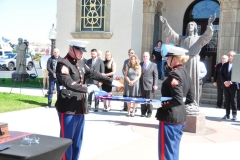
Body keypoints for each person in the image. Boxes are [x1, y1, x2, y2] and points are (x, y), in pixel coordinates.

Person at [55, 40, 122, 160]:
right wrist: (87, 89)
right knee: (66, 142)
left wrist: (112, 82)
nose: (82, 53)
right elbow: (69, 83)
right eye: (79, 51)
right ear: (71, 49)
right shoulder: (63, 63)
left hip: (80, 106)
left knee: (77, 142)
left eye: (82, 51)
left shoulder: (81, 62)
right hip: (68, 107)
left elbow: (94, 74)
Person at [160, 14, 215, 107]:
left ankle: (193, 102)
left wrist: (209, 24)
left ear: (195, 28)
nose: (190, 26)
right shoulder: (182, 39)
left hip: (193, 61)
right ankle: (182, 101)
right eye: (189, 25)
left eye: (192, 25)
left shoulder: (199, 38)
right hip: (184, 61)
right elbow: (172, 35)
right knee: (182, 81)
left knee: (193, 82)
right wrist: (166, 24)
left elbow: (207, 36)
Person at [155, 45, 194, 160]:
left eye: (168, 58)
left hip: (169, 117)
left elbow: (177, 98)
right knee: (173, 151)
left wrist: (161, 105)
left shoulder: (174, 74)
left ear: (175, 59)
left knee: (166, 154)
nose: (166, 60)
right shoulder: (186, 73)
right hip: (180, 117)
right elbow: (190, 98)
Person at [221, 51, 238, 121]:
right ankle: (227, 114)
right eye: (229, 55)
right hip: (225, 85)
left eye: (232, 56)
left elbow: (237, 75)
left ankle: (234, 115)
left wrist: (230, 82)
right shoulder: (225, 65)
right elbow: (221, 74)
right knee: (227, 100)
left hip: (233, 85)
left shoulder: (237, 65)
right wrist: (225, 82)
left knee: (233, 100)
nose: (230, 57)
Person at [140, 52, 158, 118]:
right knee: (143, 99)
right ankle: (143, 112)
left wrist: (155, 84)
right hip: (142, 85)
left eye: (146, 56)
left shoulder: (153, 65)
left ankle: (149, 112)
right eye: (144, 56)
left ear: (149, 57)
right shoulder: (140, 64)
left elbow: (155, 76)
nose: (145, 57)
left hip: (150, 85)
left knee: (149, 99)